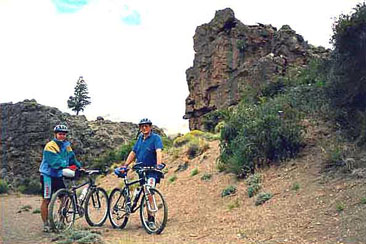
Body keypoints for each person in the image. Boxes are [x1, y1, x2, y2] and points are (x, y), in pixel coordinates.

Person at [120, 118, 164, 228]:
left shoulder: (156, 138)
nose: (144, 128)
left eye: (146, 126)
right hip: (141, 170)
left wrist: (158, 164)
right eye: (142, 126)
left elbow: (159, 151)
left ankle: (151, 219)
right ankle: (134, 200)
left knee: (149, 192)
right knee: (143, 189)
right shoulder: (140, 139)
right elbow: (133, 152)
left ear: (150, 127)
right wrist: (125, 165)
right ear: (140, 128)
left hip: (152, 171)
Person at [39, 124, 81, 232]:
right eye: (60, 134)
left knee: (65, 198)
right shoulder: (50, 146)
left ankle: (61, 220)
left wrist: (79, 167)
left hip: (58, 175)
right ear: (55, 134)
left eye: (64, 134)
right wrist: (67, 165)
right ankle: (46, 224)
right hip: (47, 175)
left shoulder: (66, 145)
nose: (62, 136)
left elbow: (72, 158)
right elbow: (54, 162)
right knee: (46, 199)